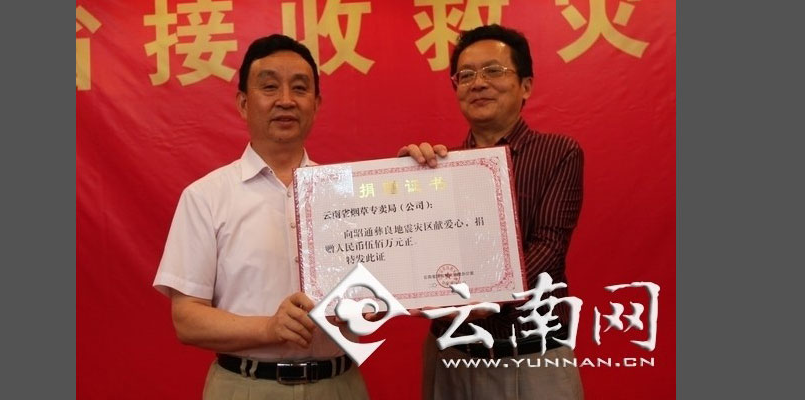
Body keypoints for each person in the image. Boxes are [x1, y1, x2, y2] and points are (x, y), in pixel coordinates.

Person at [152, 34, 369, 399]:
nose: (285, 100)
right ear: (243, 103)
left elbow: (385, 288)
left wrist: (419, 180)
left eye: (299, 88)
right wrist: (269, 328)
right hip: (245, 387)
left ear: (316, 104)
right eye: (269, 87)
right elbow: (187, 320)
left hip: (340, 385)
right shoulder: (206, 197)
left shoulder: (349, 193)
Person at [400, 24, 585, 399]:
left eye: (493, 71)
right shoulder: (436, 167)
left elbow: (548, 247)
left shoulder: (559, 153)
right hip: (452, 355)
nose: (478, 83)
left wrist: (488, 296)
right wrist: (404, 183)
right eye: (466, 75)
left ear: (526, 86)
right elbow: (417, 253)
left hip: (531, 356)